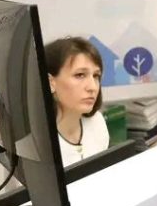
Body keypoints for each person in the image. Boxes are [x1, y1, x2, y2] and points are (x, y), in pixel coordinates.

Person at [45, 37, 109, 166]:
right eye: (80, 75)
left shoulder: (97, 123)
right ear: (50, 82)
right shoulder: (37, 143)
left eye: (96, 76)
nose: (92, 87)